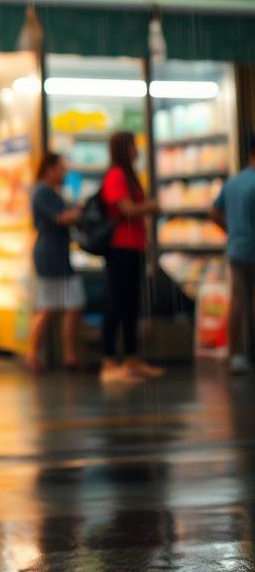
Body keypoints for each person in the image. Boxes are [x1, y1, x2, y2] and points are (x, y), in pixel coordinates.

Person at [99, 131, 162, 385]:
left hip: (133, 246)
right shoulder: (116, 175)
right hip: (120, 247)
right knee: (117, 303)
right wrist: (152, 206)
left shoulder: (128, 175)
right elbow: (125, 208)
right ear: (124, 148)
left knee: (130, 305)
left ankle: (131, 360)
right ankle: (108, 361)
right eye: (133, 145)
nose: (137, 150)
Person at [25, 152, 83, 373]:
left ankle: (69, 355)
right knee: (50, 306)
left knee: (68, 304)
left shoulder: (48, 191)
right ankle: (34, 354)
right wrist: (79, 212)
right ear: (49, 168)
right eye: (60, 167)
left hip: (55, 253)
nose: (64, 172)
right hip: (51, 254)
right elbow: (61, 217)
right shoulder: (42, 191)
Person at [210, 133, 255, 375]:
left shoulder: (233, 182)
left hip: (236, 248)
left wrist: (232, 229)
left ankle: (235, 353)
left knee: (238, 301)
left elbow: (213, 211)